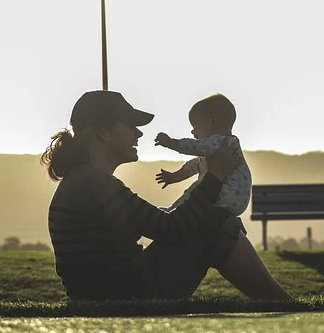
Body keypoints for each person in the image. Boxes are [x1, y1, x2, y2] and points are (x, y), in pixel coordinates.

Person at [41, 90, 291, 301]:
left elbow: (159, 223)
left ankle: (283, 304)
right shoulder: (92, 184)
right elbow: (172, 228)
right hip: (123, 294)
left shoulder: (85, 181)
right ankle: (285, 306)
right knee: (218, 223)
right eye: (131, 126)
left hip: (114, 290)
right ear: (104, 132)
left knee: (215, 220)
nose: (138, 134)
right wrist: (215, 176)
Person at [155, 93, 251, 216]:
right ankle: (173, 210)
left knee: (195, 191)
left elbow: (196, 147)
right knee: (197, 190)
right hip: (237, 201)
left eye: (195, 125)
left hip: (225, 193)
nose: (192, 131)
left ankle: (173, 212)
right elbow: (196, 165)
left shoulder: (220, 141)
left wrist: (171, 143)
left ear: (212, 121)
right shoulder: (227, 145)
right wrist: (174, 177)